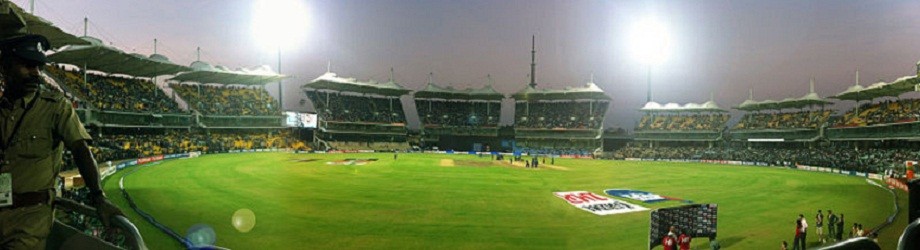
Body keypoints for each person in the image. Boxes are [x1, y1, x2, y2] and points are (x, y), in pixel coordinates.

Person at [0, 34, 124, 249]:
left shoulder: (55, 107)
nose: (36, 73)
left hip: (29, 220)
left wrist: (98, 196)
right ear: (6, 67)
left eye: (39, 67)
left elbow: (80, 149)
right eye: (28, 65)